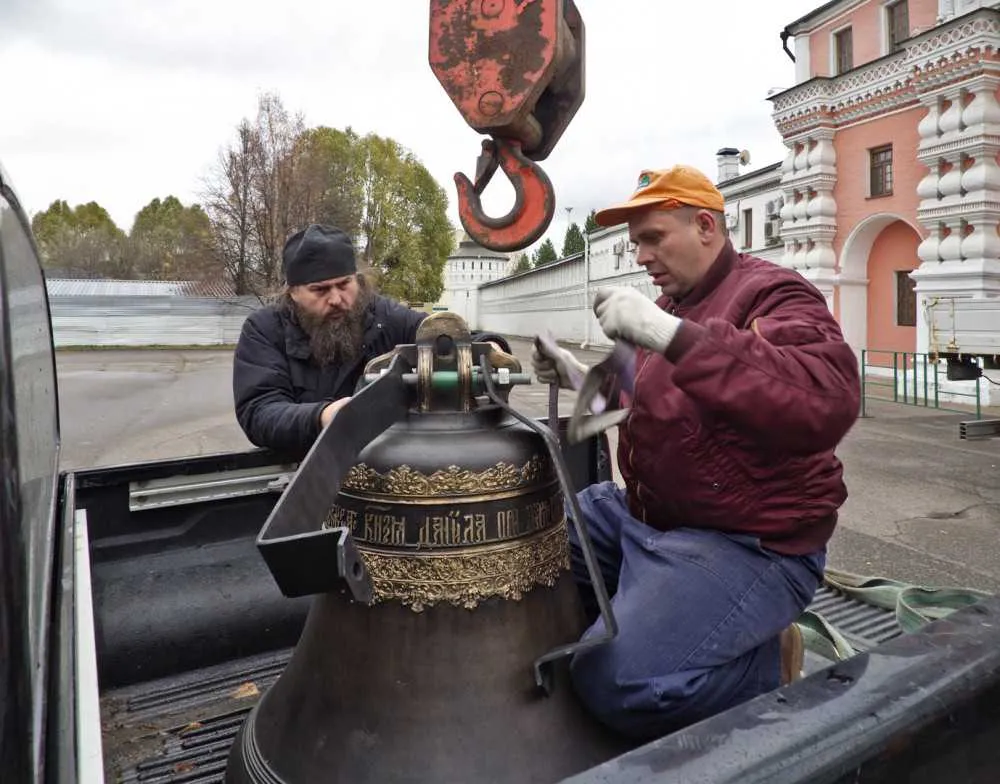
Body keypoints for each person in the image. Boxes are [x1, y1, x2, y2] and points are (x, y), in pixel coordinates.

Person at [532, 165, 860, 741]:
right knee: (525, 547)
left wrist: (667, 335)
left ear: (706, 226)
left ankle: (763, 660)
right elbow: (636, 399)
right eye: (636, 243)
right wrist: (577, 374)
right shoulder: (673, 307)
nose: (641, 256)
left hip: (745, 543)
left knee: (614, 680)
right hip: (645, 518)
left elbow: (825, 400)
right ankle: (661, 615)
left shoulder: (772, 294)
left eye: (654, 238)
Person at [233, 223, 509, 457]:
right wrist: (322, 416)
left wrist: (488, 347)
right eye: (319, 290)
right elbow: (259, 412)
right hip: (304, 471)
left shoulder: (384, 317)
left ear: (358, 280)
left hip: (383, 468)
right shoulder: (264, 330)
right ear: (292, 292)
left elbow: (442, 335)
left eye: (344, 285)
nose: (336, 299)